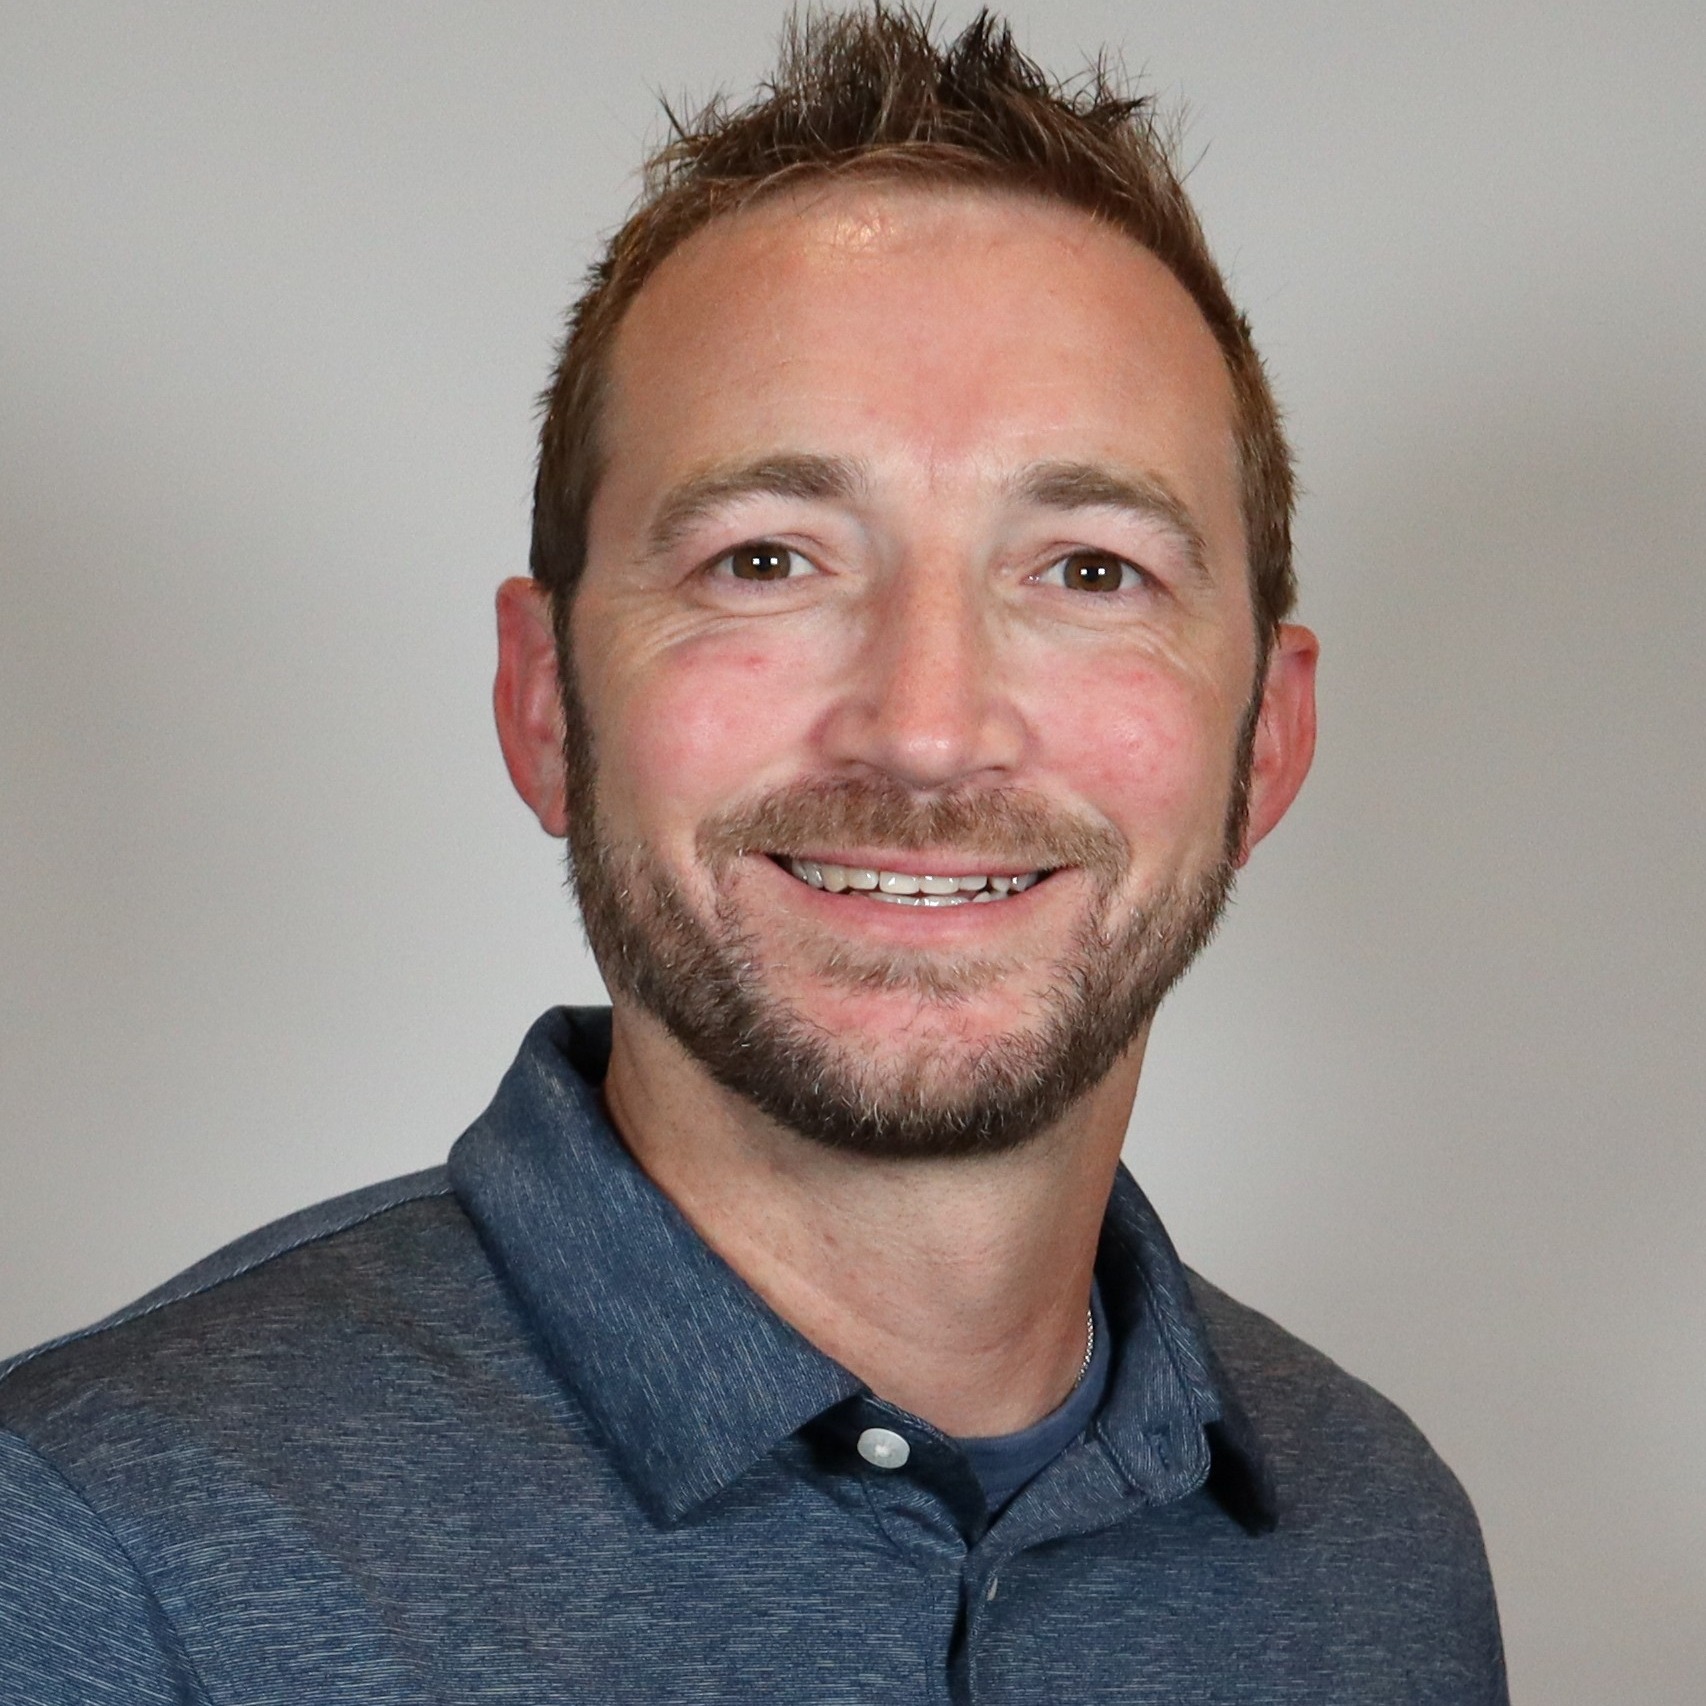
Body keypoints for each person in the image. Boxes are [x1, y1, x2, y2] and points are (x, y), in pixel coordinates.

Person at [0, 8, 1506, 1701]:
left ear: (1266, 741)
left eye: (1088, 570)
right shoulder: (87, 1554)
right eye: (766, 559)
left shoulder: (1379, 1544)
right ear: (546, 704)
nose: (926, 727)